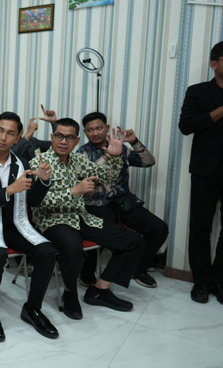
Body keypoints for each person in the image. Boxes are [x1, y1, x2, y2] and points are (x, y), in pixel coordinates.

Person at [29, 118, 144, 320]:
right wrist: (74, 191)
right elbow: (38, 202)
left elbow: (105, 176)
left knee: (134, 242)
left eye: (69, 137)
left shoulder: (78, 160)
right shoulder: (39, 162)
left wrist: (114, 156)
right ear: (52, 137)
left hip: (81, 216)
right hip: (52, 219)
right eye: (59, 136)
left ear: (76, 140)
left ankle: (100, 289)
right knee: (73, 249)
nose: (63, 141)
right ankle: (69, 293)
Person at [0, 112, 59, 341]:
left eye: (10, 133)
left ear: (17, 138)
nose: (3, 137)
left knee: (47, 251)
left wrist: (44, 181)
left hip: (15, 225)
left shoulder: (22, 164)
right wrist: (9, 190)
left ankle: (32, 308)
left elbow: (33, 201)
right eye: (0, 130)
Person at [77, 112, 168, 288]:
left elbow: (149, 161)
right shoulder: (83, 153)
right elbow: (88, 176)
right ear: (85, 132)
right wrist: (110, 155)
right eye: (90, 130)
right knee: (104, 232)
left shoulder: (122, 149)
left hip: (123, 202)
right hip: (96, 204)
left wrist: (133, 141)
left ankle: (138, 268)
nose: (95, 133)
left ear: (107, 128)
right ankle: (87, 271)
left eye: (99, 128)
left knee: (159, 228)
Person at [179, 40, 223, 304]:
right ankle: (201, 283)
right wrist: (219, 112)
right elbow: (186, 126)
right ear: (214, 63)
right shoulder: (197, 92)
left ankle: (219, 280)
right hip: (206, 169)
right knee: (200, 228)